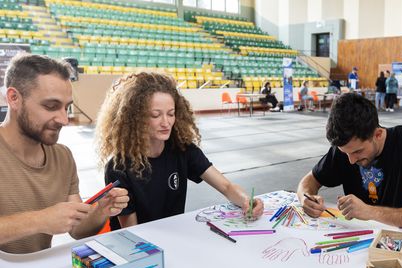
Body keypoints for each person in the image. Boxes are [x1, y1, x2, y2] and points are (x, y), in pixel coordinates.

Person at [96, 72, 263, 230]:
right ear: (135, 119)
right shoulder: (118, 167)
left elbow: (226, 186)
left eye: (171, 114)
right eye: (155, 115)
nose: (166, 122)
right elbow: (133, 231)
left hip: (174, 237)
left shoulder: (183, 150)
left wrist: (246, 201)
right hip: (141, 245)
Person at [0, 54, 129, 254]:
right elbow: (45, 220)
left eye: (66, 107)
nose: (63, 119)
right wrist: (40, 220)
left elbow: (78, 230)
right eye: (51, 106)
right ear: (14, 98)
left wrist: (101, 211)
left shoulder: (62, 156)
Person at [297, 92, 402, 229]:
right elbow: (309, 180)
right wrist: (307, 199)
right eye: (345, 153)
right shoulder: (346, 147)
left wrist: (370, 212)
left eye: (358, 151)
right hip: (362, 236)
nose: (351, 160)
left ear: (378, 134)